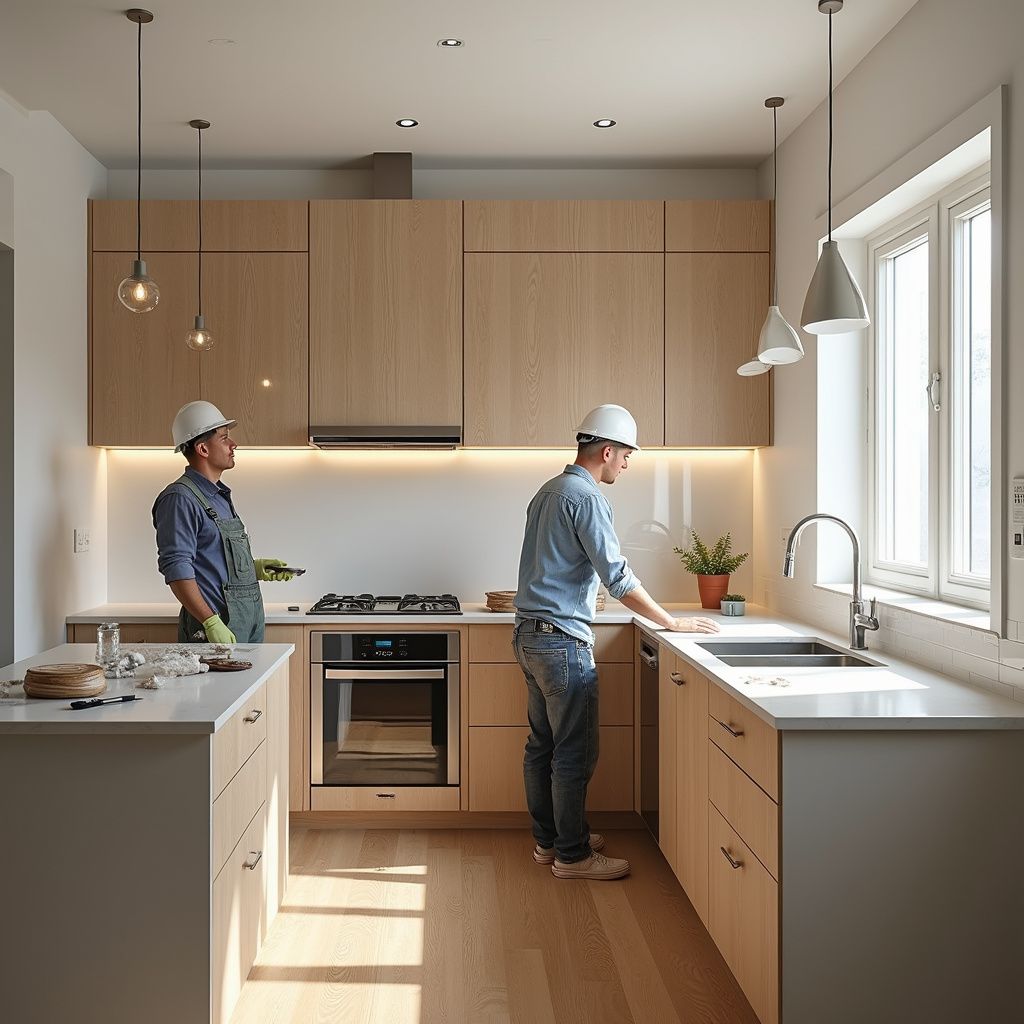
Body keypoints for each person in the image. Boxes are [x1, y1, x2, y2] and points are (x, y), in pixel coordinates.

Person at [513, 404, 720, 881]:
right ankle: (573, 855)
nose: (626, 465)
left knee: (541, 746)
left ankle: (551, 841)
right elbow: (618, 578)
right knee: (573, 752)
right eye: (625, 456)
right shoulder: (585, 498)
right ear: (607, 451)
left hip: (529, 635)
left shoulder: (547, 491)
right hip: (562, 640)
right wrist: (672, 622)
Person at [152, 401, 295, 644]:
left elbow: (214, 558)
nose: (233, 444)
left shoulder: (218, 496)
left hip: (246, 623)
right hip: (213, 630)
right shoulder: (180, 499)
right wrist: (210, 622)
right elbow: (177, 569)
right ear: (203, 449)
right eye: (224, 438)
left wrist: (254, 568)